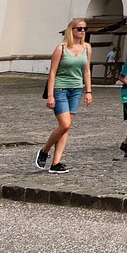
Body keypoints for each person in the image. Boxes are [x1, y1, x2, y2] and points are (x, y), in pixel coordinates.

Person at [36, 18, 92, 174]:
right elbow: (52, 72)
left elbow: (86, 70)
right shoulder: (61, 48)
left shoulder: (87, 47)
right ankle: (45, 150)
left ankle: (56, 163)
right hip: (60, 89)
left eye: (84, 29)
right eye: (79, 28)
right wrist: (50, 95)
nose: (82, 31)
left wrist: (88, 91)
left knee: (65, 128)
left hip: (76, 89)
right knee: (65, 124)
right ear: (71, 29)